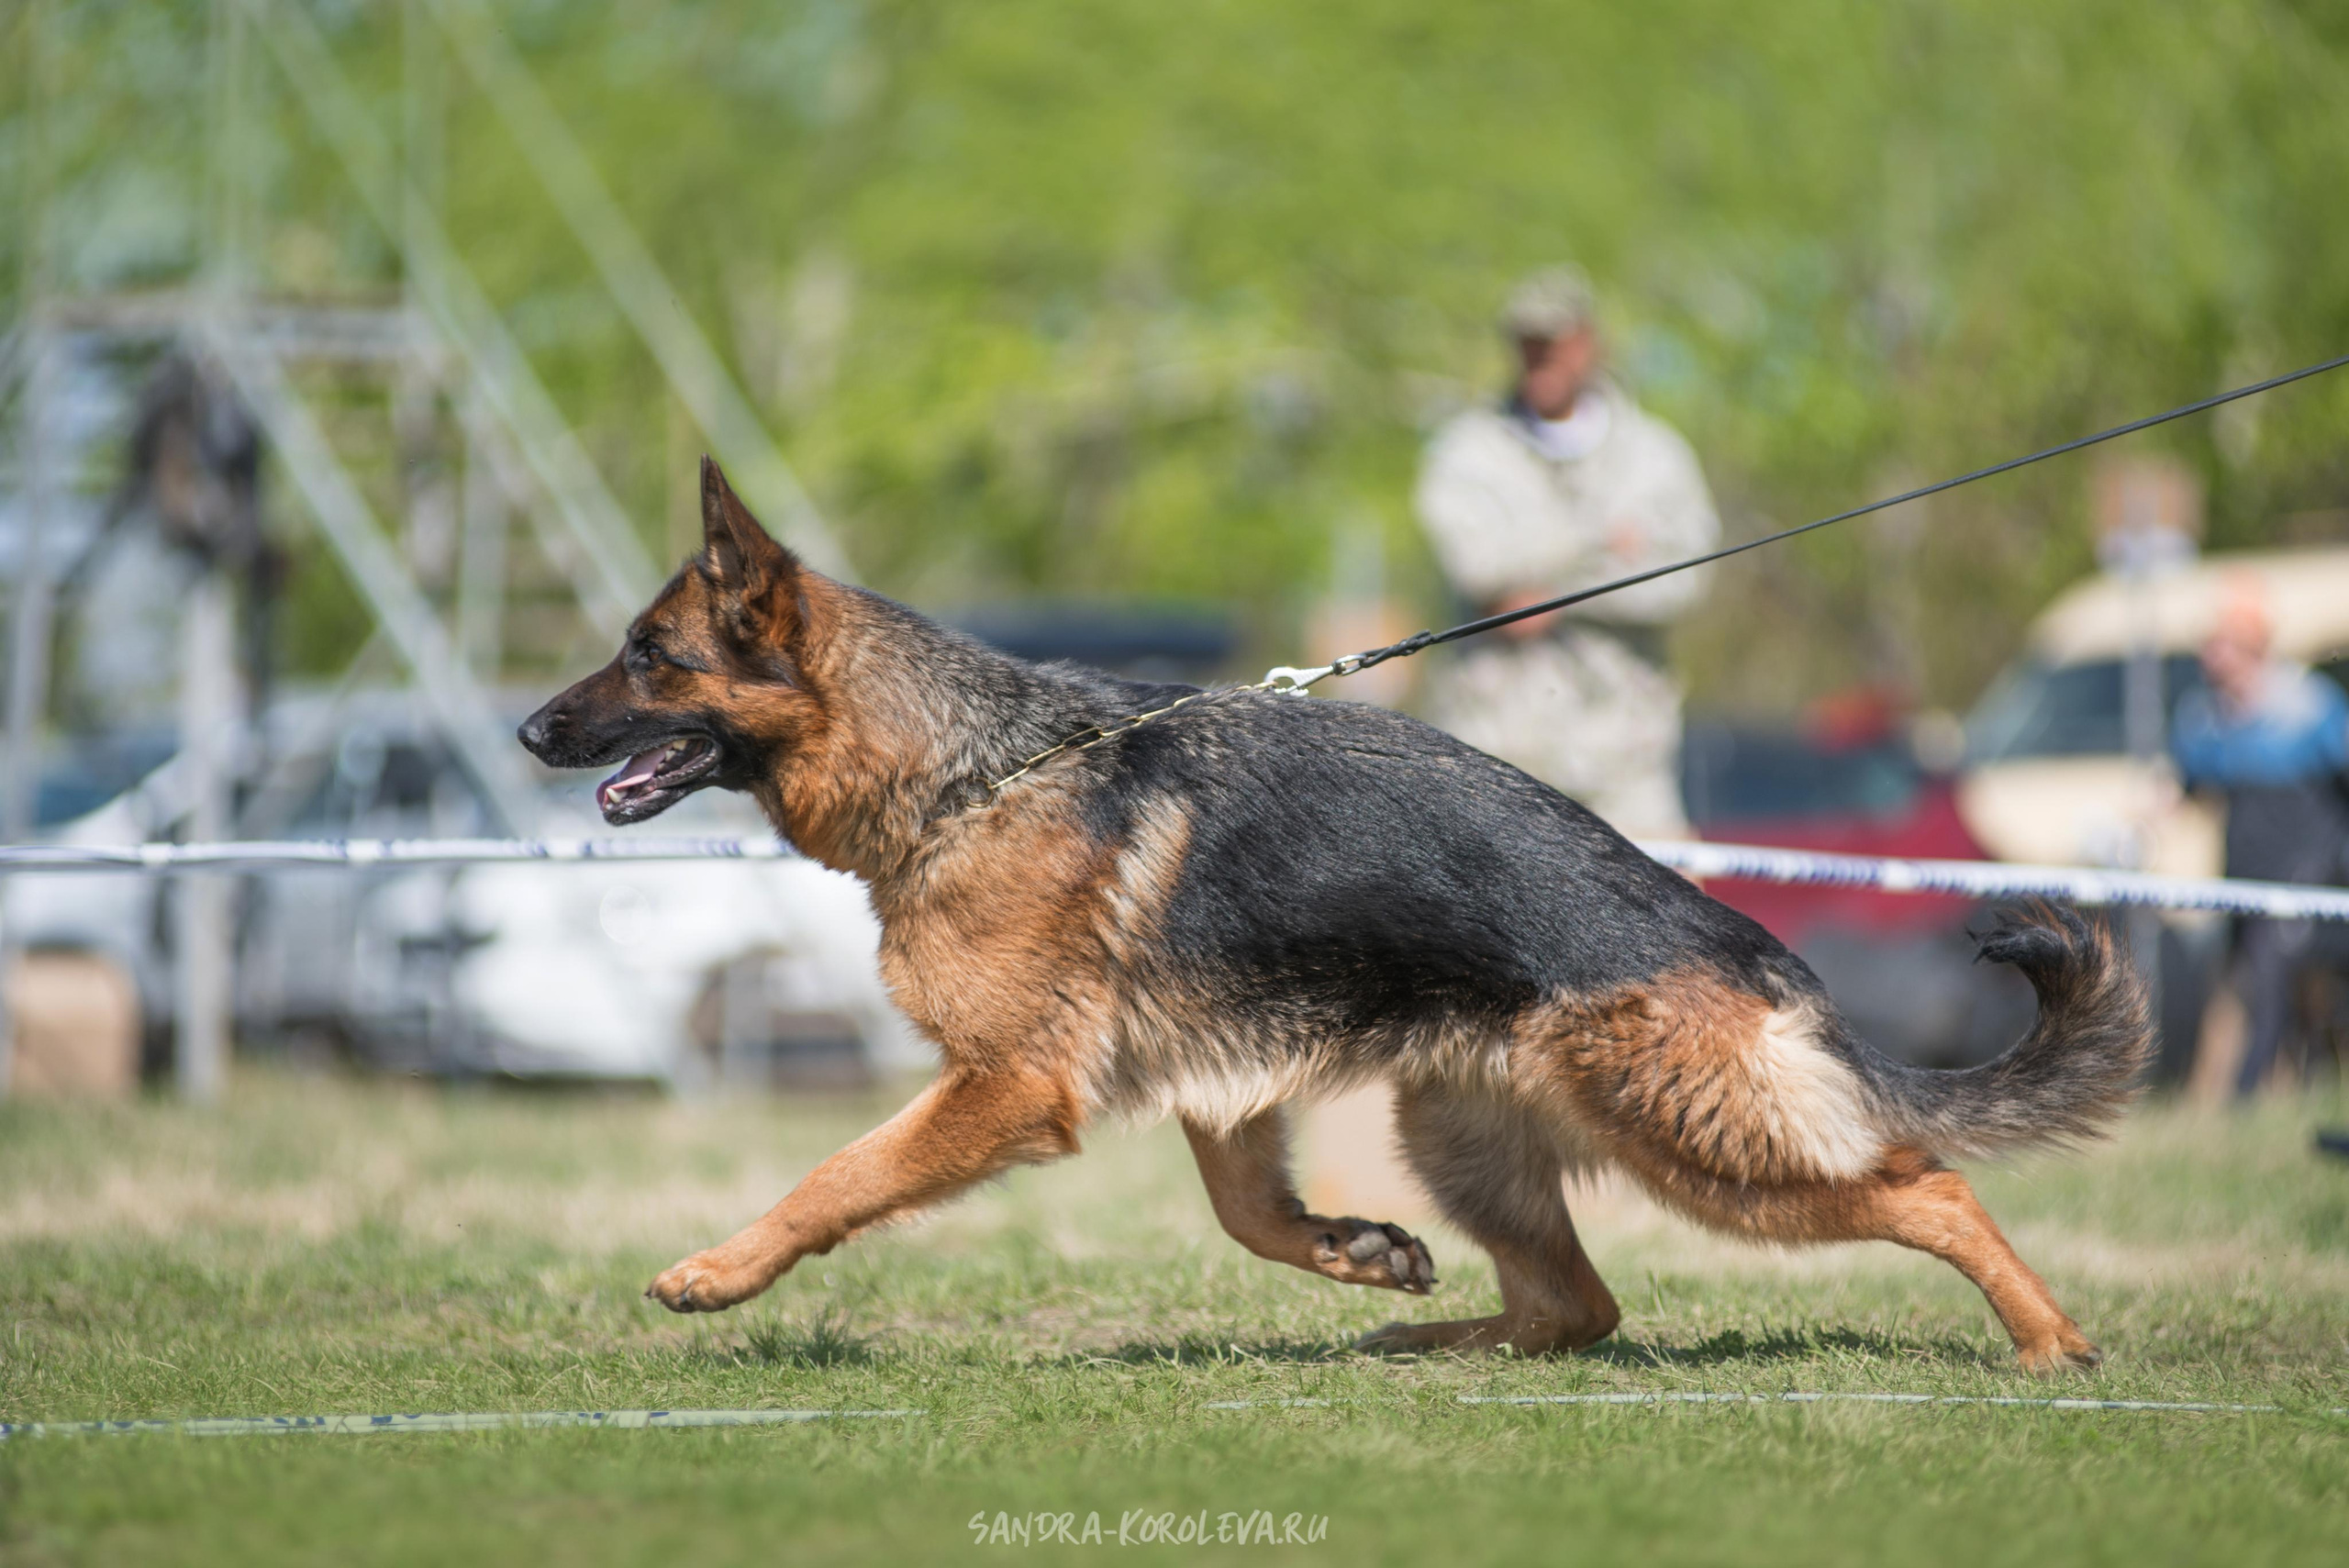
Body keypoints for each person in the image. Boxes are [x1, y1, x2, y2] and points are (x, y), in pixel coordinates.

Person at [1414, 266, 1720, 839]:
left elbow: (1684, 583)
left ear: (1589, 343)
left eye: (1553, 340)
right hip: (1493, 755)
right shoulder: (1467, 451)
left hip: (1627, 764)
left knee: (1669, 919)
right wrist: (1605, 544)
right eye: (1526, 342)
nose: (1539, 356)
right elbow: (1478, 566)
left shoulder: (1657, 455)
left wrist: (1552, 595)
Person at [2171, 584, 2349, 1095]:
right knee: (2241, 989)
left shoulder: (2309, 707)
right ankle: (2234, 1095)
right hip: (2242, 873)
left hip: (2306, 871)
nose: (2209, 655)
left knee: (2275, 986)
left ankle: (2246, 1099)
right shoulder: (2204, 717)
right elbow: (2188, 785)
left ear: (2251, 647)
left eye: (2220, 643)